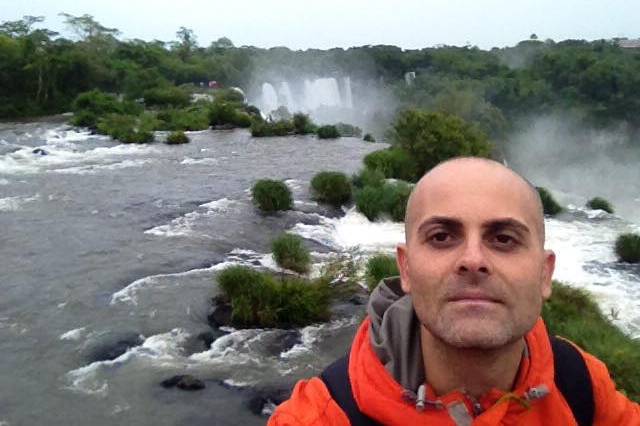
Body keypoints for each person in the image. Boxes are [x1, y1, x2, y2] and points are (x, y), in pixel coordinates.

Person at [268, 157, 640, 425]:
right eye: (442, 237)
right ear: (406, 269)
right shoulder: (322, 416)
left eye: (504, 238)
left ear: (545, 275)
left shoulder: (580, 385)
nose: (473, 260)